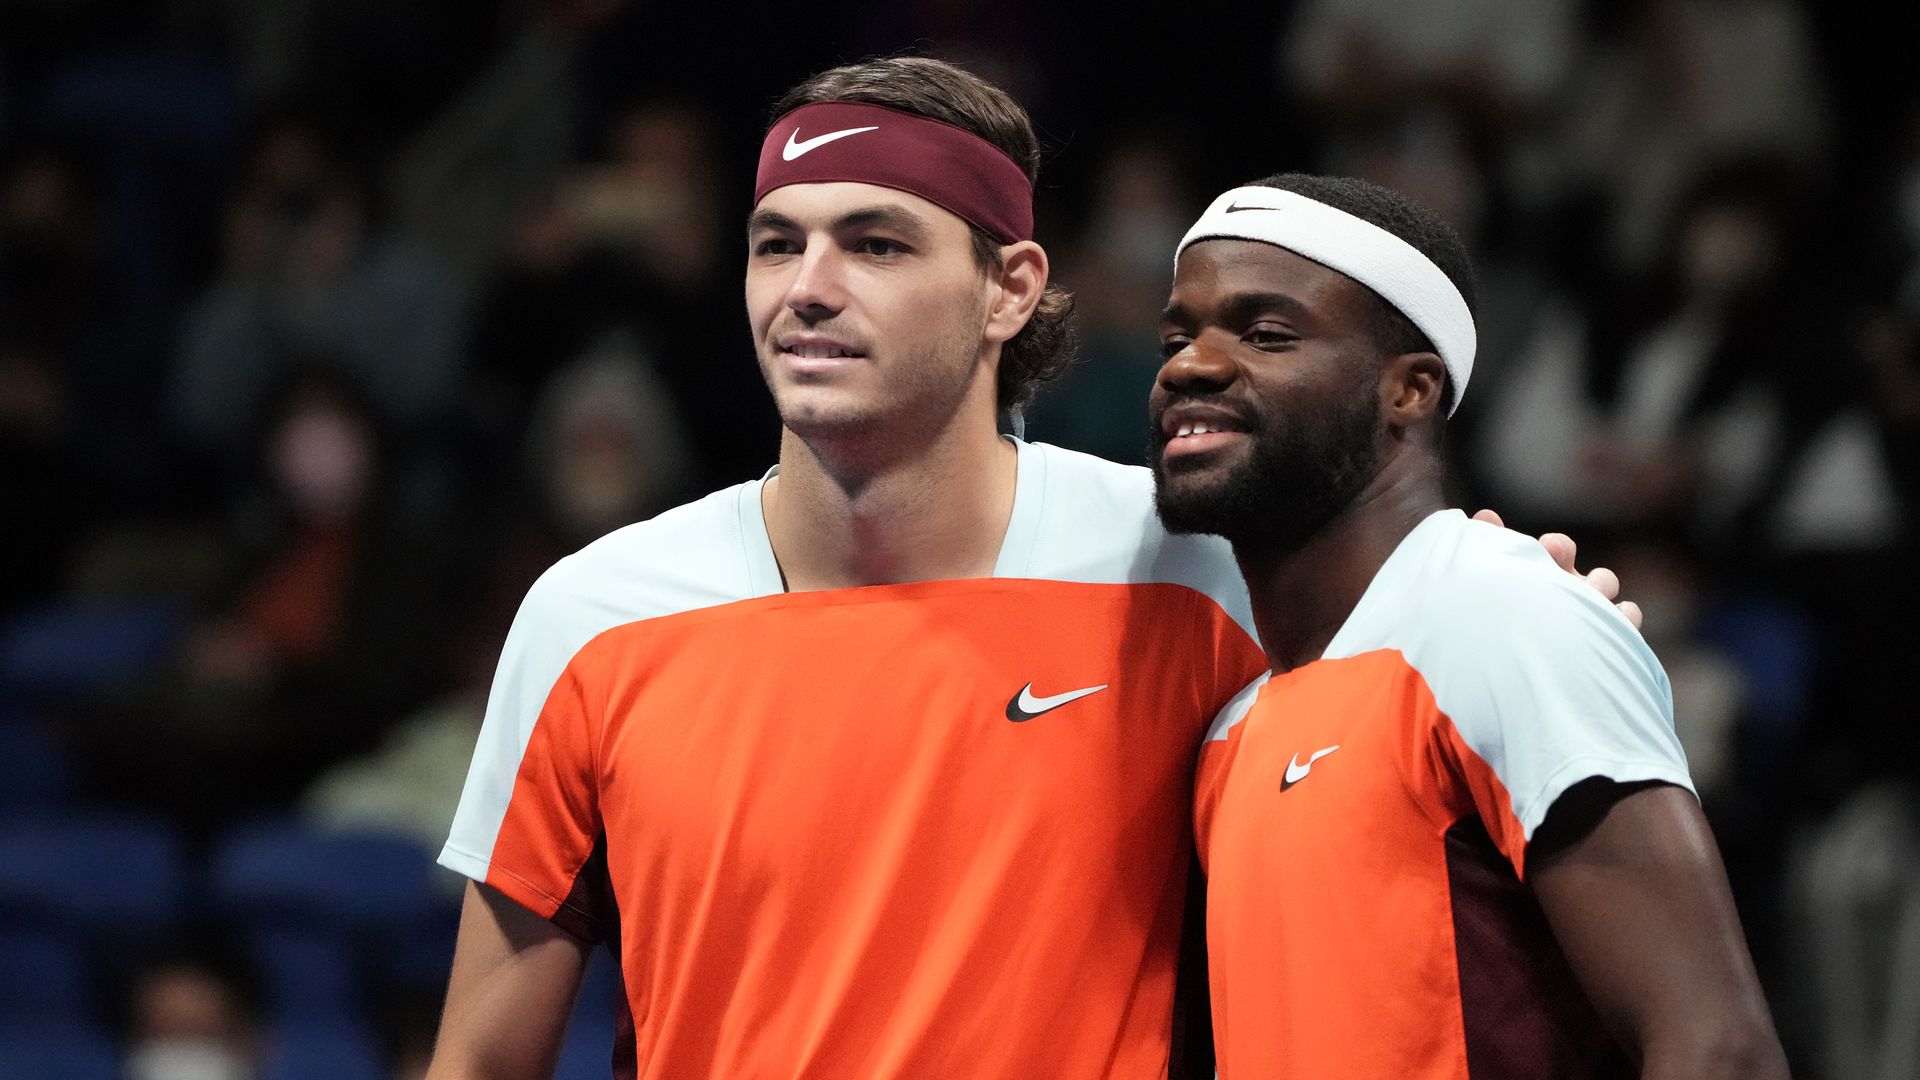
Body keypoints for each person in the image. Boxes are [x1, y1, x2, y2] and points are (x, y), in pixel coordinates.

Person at [426, 59, 1629, 1079]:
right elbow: (482, 1058)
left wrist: (1545, 592)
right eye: (775, 244)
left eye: (876, 243)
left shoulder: (1195, 568)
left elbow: (1449, 653)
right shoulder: (592, 615)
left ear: (1010, 289)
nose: (807, 290)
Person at [1154, 173, 1787, 1078]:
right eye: (1178, 336)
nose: (1190, 364)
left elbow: (1718, 1049)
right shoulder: (1234, 724)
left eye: (1265, 334)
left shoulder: (1503, 613)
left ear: (1409, 391)